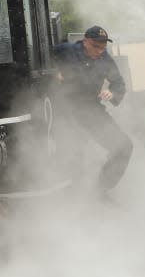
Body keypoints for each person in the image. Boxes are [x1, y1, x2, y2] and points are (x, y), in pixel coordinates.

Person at [52, 25, 133, 193]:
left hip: (91, 109)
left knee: (124, 146)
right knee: (73, 152)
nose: (99, 51)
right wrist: (53, 73)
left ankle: (101, 190)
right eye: (96, 46)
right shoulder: (66, 50)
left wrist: (112, 92)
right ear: (85, 41)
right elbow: (39, 60)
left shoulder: (105, 59)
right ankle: (69, 195)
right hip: (64, 109)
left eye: (103, 48)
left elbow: (119, 83)